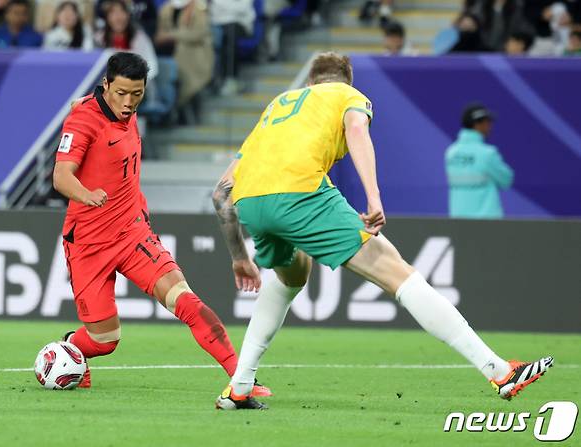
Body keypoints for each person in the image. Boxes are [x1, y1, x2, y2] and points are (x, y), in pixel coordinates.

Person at [211, 52, 552, 410]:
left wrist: (238, 258)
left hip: (250, 200)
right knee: (397, 272)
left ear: (310, 83)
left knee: (293, 273)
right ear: (347, 80)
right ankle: (499, 371)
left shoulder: (279, 104)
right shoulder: (349, 96)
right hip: (300, 191)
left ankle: (239, 387)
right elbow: (357, 129)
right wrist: (374, 197)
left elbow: (221, 194)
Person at [52, 52, 271, 397]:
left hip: (132, 234)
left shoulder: (126, 108)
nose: (128, 103)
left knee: (186, 301)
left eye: (136, 95)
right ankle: (70, 347)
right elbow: (61, 176)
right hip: (89, 244)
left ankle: (242, 378)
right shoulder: (83, 120)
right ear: (106, 85)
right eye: (121, 93)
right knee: (105, 340)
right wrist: (86, 193)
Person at [445, 103, 514, 219]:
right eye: (487, 122)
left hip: (458, 220)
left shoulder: (450, 153)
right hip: (487, 223)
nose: (490, 126)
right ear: (477, 124)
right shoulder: (488, 154)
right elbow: (507, 180)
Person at [154, 0, 213, 117]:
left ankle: (183, 108)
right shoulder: (167, 8)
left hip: (195, 50)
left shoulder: (199, 8)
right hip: (169, 50)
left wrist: (171, 36)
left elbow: (198, 33)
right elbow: (160, 31)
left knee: (184, 56)